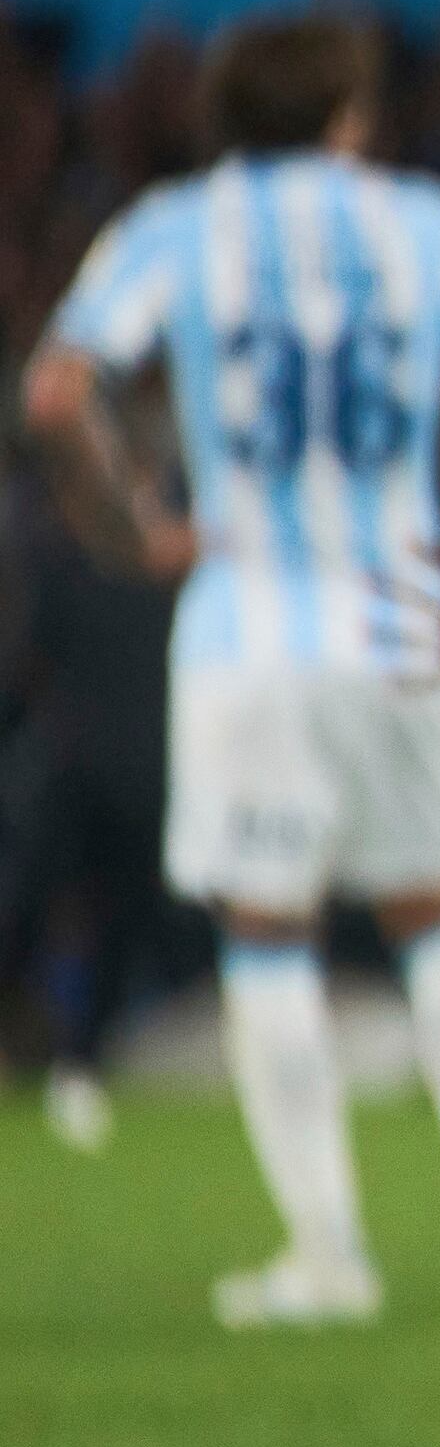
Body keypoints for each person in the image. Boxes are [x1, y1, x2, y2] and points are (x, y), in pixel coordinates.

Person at [17, 8, 440, 1324]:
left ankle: (328, 1254)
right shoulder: (425, 222)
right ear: (349, 113)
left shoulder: (176, 228)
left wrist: (131, 525)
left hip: (252, 627)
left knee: (268, 933)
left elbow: (56, 393)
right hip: (405, 617)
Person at [1, 465, 173, 1152]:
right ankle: (46, 1054)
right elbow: (31, 661)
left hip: (128, 770)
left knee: (117, 920)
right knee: (27, 909)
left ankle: (80, 1062)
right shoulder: (61, 556)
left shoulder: (158, 565)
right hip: (80, 768)